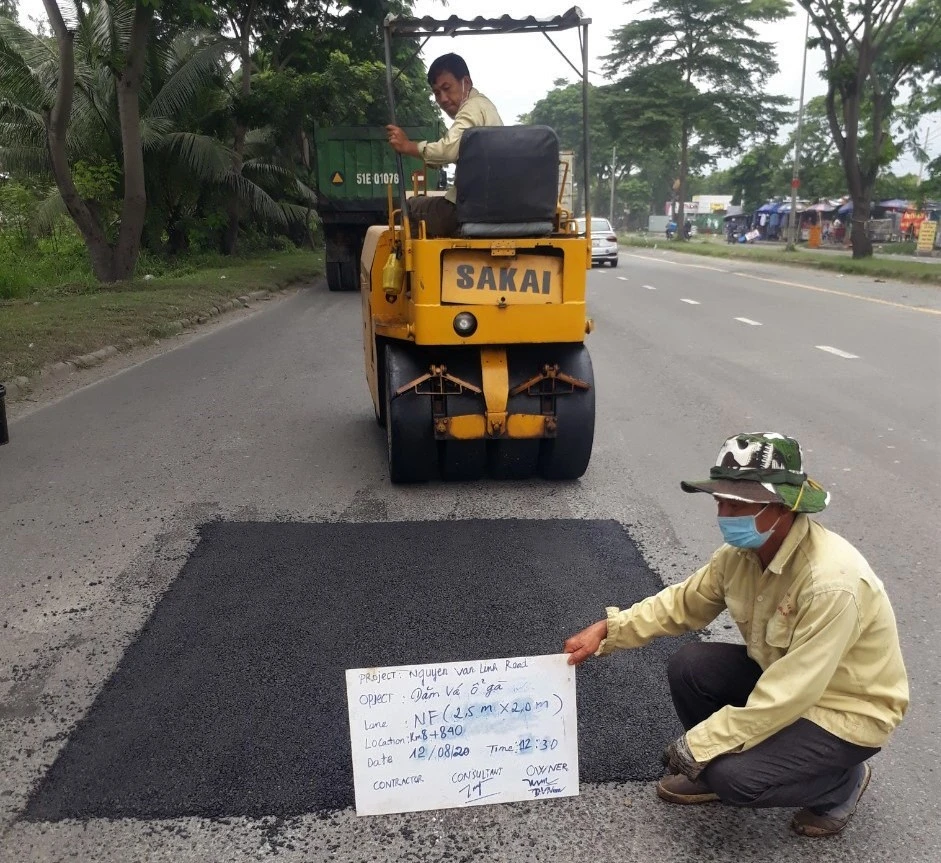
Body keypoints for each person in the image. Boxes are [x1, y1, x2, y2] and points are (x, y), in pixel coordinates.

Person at [564, 432, 909, 838]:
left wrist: (701, 744)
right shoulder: (740, 556)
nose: (726, 515)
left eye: (740, 504)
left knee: (735, 779)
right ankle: (720, 767)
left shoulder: (832, 583)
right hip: (787, 683)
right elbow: (681, 604)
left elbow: (791, 692)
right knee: (691, 665)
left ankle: (841, 783)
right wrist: (611, 629)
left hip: (846, 710)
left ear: (783, 507)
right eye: (721, 502)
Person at [386, 53, 503, 238]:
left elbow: (448, 150)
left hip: (465, 210)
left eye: (447, 88)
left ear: (466, 82)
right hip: (494, 205)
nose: (443, 99)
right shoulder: (487, 108)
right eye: (437, 93)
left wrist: (408, 146)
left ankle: (421, 266)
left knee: (408, 207)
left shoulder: (472, 108)